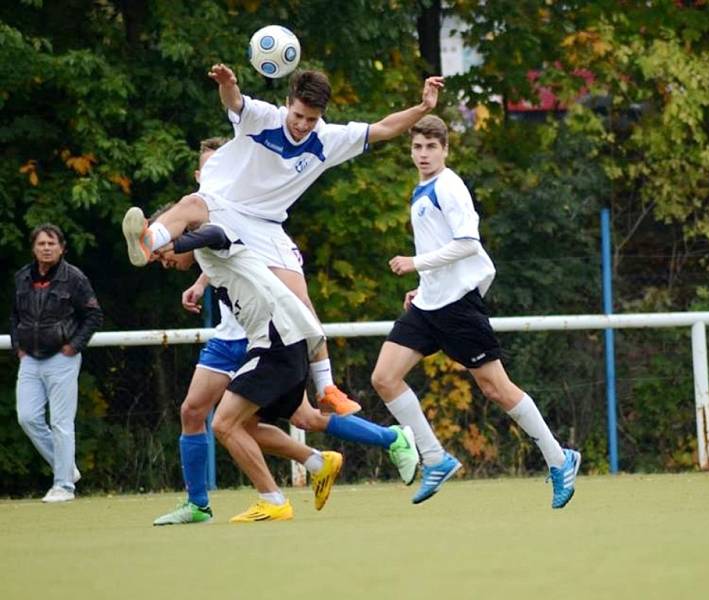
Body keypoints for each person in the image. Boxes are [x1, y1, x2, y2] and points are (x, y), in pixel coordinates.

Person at [122, 65, 444, 417]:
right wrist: (228, 85)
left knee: (301, 302)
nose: (302, 124)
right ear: (287, 103)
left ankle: (327, 388)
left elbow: (382, 129)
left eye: (311, 118)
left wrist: (423, 107)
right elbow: (235, 102)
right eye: (298, 115)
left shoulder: (327, 138)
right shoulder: (263, 117)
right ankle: (148, 240)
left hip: (268, 226)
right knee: (191, 204)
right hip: (225, 204)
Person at [153, 141, 419, 525]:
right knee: (247, 421)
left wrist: (167, 240)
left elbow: (214, 238)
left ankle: (276, 498)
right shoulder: (210, 245)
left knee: (228, 422)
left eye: (167, 255)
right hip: (271, 340)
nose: (166, 262)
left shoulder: (226, 225)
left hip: (274, 340)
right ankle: (316, 462)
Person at [370, 115, 580, 508]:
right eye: (417, 147)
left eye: (432, 147)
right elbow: (447, 251)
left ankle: (559, 458)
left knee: (495, 389)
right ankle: (436, 458)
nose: (424, 154)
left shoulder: (448, 186)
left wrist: (416, 264)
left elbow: (469, 243)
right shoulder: (422, 189)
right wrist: (424, 285)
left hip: (458, 308)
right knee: (384, 377)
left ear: (446, 150)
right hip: (430, 304)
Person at [11, 224, 103, 503]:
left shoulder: (74, 278)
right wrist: (18, 347)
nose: (46, 248)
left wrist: (72, 347)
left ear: (62, 247)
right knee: (27, 417)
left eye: (51, 243)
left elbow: (94, 315)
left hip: (62, 358)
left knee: (62, 422)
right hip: (29, 357)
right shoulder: (22, 277)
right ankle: (65, 468)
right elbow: (15, 316)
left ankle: (63, 485)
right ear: (33, 248)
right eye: (41, 244)